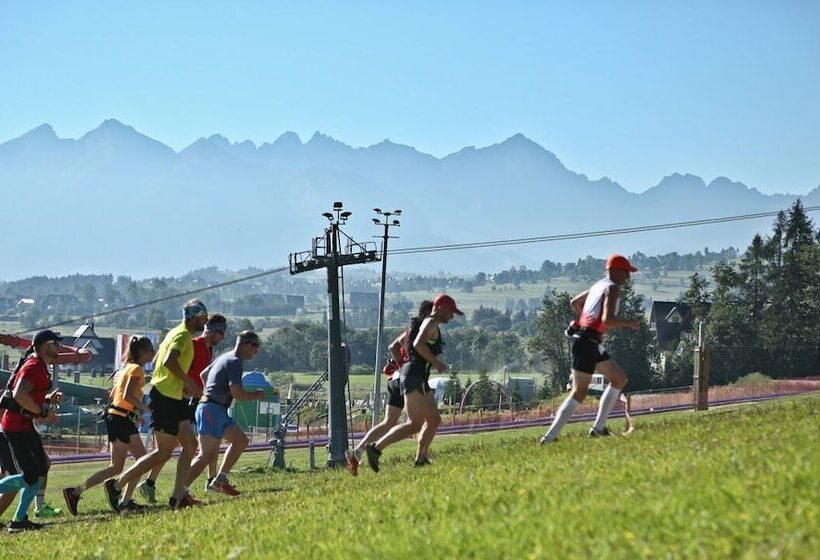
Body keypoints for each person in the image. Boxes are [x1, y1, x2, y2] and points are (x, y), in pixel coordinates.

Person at [104, 299, 207, 511]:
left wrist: (182, 386)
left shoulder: (173, 333)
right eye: (203, 318)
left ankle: (179, 496)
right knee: (163, 453)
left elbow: (161, 364)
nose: (204, 323)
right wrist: (188, 382)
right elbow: (169, 361)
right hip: (166, 399)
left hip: (174, 397)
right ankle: (117, 485)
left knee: (190, 445)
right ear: (196, 317)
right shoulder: (182, 336)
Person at [540, 254, 640, 443]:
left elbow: (575, 303)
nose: (628, 277)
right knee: (579, 392)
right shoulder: (612, 288)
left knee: (619, 379)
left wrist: (585, 321)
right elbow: (607, 320)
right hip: (587, 342)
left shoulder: (598, 286)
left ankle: (598, 429)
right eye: (626, 272)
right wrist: (629, 323)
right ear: (614, 271)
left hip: (590, 341)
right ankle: (549, 437)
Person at [365, 294, 463, 472]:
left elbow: (405, 343)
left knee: (433, 419)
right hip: (413, 376)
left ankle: (421, 459)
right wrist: (436, 363)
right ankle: (375, 449)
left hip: (419, 377)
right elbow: (418, 344)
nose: (452, 316)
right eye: (450, 312)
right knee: (414, 424)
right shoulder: (430, 322)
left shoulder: (431, 323)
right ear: (440, 308)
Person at [137, 313, 227, 503]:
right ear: (208, 329)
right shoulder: (194, 344)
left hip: (192, 398)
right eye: (220, 332)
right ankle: (171, 488)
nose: (223, 337)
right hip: (180, 398)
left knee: (188, 444)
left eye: (224, 333)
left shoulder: (209, 351)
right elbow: (171, 366)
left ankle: (163, 485)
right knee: (179, 445)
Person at [62, 336, 155, 515]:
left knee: (120, 466)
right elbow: (127, 395)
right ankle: (121, 499)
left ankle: (77, 492)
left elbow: (114, 394)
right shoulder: (136, 369)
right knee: (141, 462)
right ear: (142, 352)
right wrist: (146, 409)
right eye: (151, 350)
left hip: (119, 417)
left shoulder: (126, 368)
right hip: (120, 419)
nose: (153, 353)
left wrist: (134, 414)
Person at [346, 300, 434, 476]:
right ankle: (421, 458)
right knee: (426, 419)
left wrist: (402, 365)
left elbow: (393, 346)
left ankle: (358, 451)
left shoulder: (410, 329)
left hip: (395, 379)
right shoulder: (425, 330)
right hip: (410, 379)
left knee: (389, 422)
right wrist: (411, 366)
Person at [185, 331, 265, 496]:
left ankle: (220, 480)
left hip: (216, 409)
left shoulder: (224, 357)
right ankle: (180, 490)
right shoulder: (235, 362)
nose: (256, 351)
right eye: (255, 346)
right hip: (211, 410)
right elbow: (236, 392)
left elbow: (204, 374)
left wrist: (210, 392)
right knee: (205, 455)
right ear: (246, 344)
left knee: (240, 440)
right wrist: (256, 395)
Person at [0, 330, 62, 532]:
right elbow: (19, 395)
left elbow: (28, 396)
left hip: (23, 426)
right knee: (31, 475)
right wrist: (44, 412)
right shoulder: (34, 366)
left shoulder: (40, 367)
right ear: (44, 346)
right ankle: (18, 522)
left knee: (40, 469)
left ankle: (19, 521)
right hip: (16, 428)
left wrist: (46, 400)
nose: (59, 347)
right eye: (56, 343)